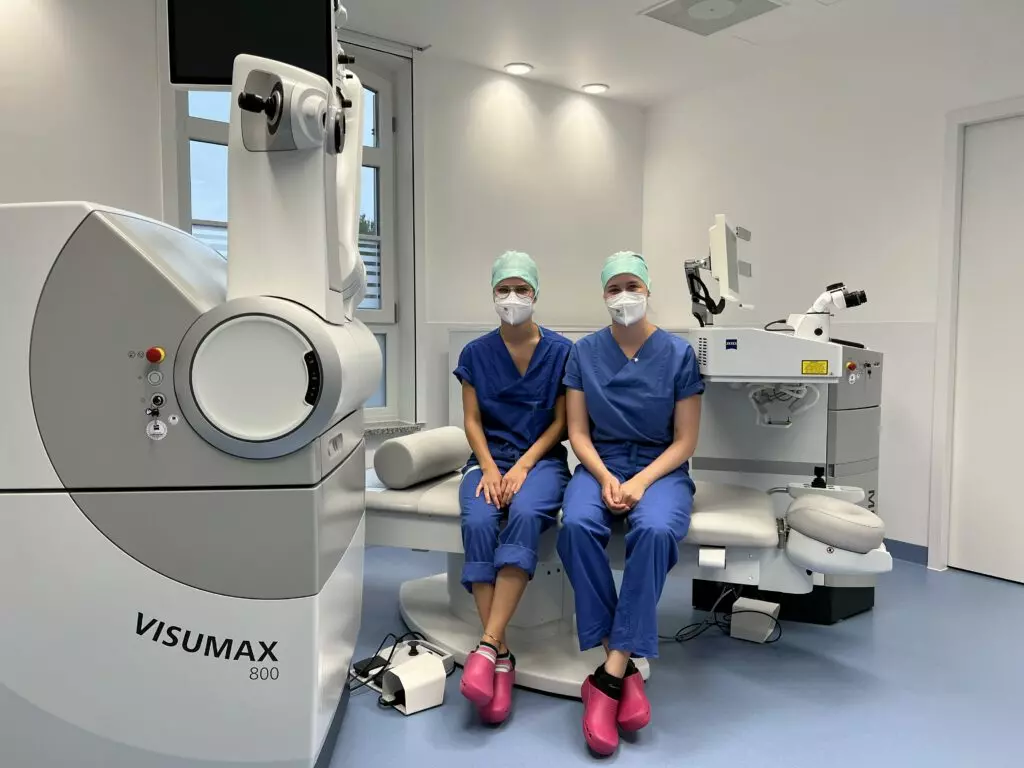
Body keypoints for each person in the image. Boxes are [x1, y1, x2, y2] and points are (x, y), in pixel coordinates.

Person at [557, 252, 703, 756]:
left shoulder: (678, 354)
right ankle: (624, 666)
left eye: (632, 285)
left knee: (656, 530)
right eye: (614, 287)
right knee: (576, 526)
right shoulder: (584, 353)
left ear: (647, 290)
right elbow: (578, 432)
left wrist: (640, 481)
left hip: (661, 467)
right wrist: (604, 477)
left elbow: (685, 441)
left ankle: (609, 674)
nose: (624, 296)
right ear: (603, 295)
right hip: (601, 461)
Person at [454, 250, 572, 725]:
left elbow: (562, 422)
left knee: (523, 514)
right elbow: (471, 420)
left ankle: (486, 647)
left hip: (540, 461)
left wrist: (522, 466)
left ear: (536, 294)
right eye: (504, 289)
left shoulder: (561, 351)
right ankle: (500, 654)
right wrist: (488, 467)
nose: (512, 297)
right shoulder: (475, 354)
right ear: (493, 294)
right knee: (480, 519)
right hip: (486, 461)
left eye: (522, 289)